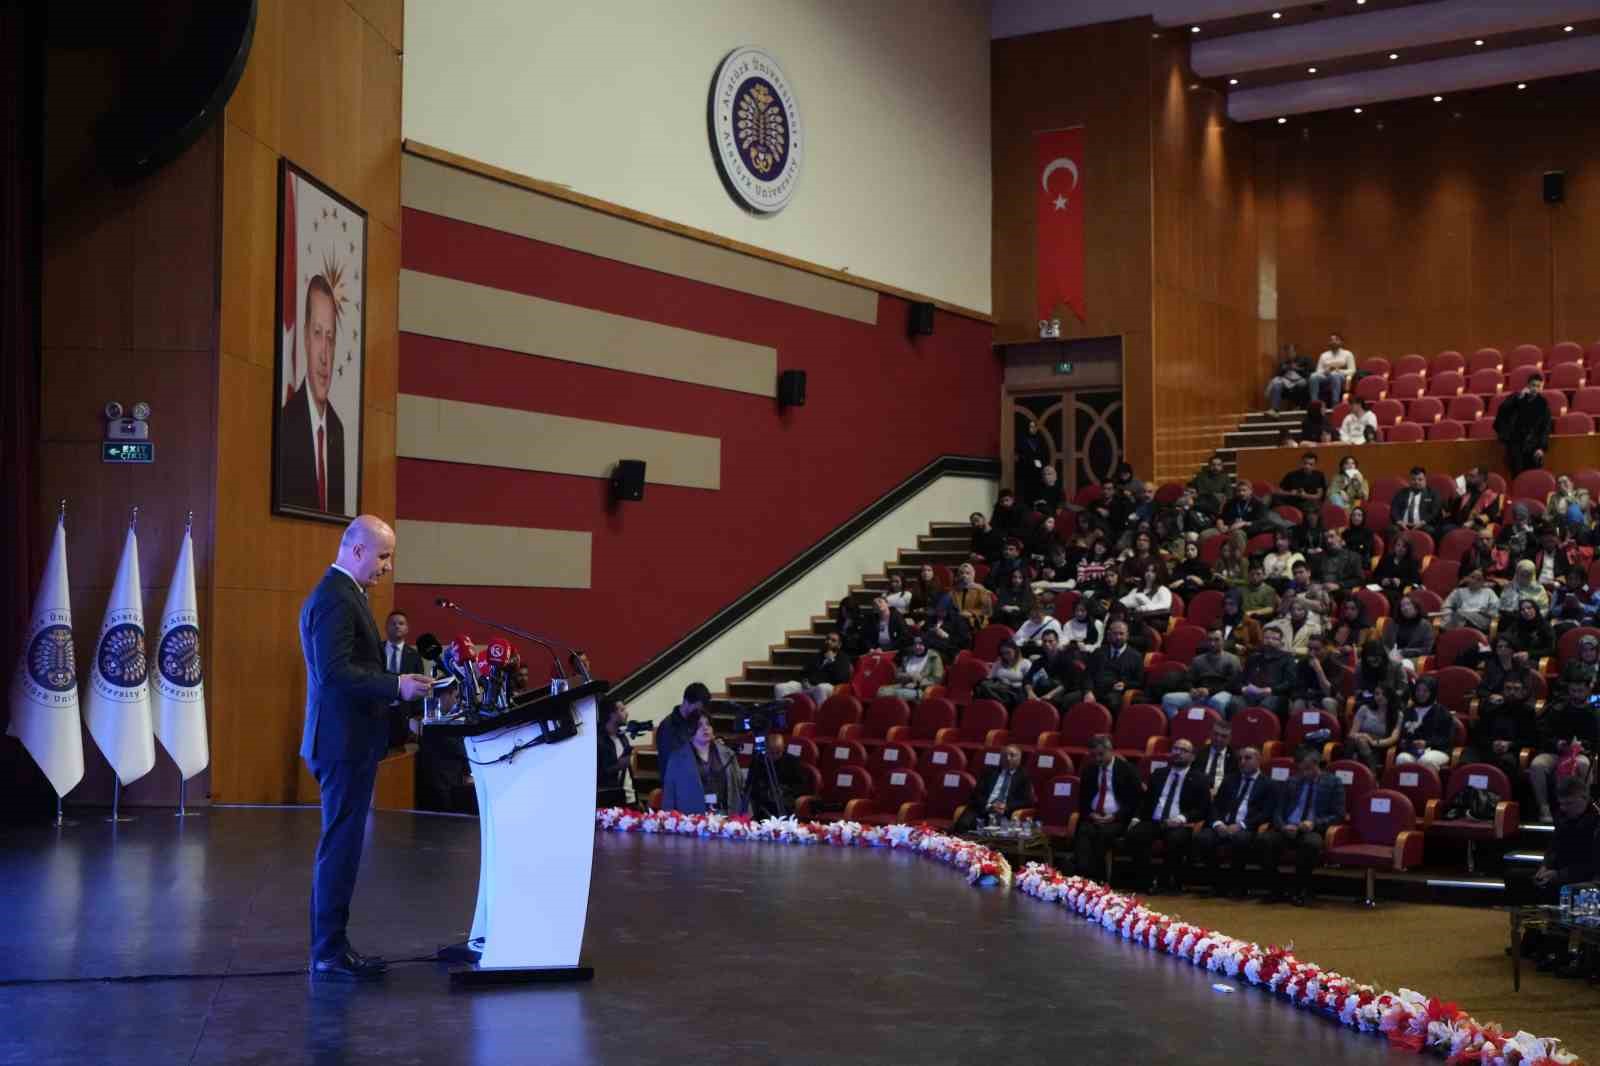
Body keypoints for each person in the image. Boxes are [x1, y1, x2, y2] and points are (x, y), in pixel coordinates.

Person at [300, 516, 435, 980]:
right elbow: (333, 674)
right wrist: (397, 685)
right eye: (382, 556)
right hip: (341, 744)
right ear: (356, 551)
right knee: (340, 846)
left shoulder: (346, 594)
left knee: (342, 844)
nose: (387, 566)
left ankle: (330, 948)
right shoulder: (336, 599)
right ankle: (328, 952)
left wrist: (397, 688)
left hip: (347, 741)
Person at [278, 275, 349, 514]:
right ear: (306, 338)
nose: (325, 356)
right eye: (318, 334)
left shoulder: (337, 431)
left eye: (330, 338)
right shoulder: (285, 424)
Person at [1260, 746, 1346, 906]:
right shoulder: (1292, 781)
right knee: (1265, 840)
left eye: (1308, 769)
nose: (1304, 773)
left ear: (1317, 764)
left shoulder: (1334, 783)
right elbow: (1278, 810)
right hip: (1289, 828)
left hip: (1311, 829)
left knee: (1311, 844)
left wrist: (1314, 824)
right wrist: (1283, 826)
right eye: (1301, 770)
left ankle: (1299, 889)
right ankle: (1276, 888)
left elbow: (1339, 815)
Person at [1125, 739, 1209, 893]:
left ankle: (1165, 881)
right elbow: (1146, 801)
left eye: (1183, 750)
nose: (1178, 753)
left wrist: (1181, 819)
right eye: (1175, 749)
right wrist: (1136, 818)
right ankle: (1146, 881)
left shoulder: (1199, 779)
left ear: (1192, 757)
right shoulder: (1159, 774)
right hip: (1155, 821)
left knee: (1175, 839)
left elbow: (1202, 809)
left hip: (1181, 824)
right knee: (1135, 834)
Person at [1194, 746, 1275, 897]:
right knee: (1203, 838)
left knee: (1240, 840)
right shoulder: (1230, 779)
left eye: (1247, 758)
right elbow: (1215, 806)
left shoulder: (1268, 784)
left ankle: (1237, 884)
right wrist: (1218, 824)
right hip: (1223, 825)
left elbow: (1266, 813)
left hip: (1247, 827)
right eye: (1240, 759)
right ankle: (1217, 883)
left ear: (1259, 760)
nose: (1242, 762)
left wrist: (1241, 826)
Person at [1529, 668, 1600, 822]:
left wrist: (1582, 746)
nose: (1576, 694)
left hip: (1582, 753)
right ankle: (1544, 809)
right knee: (1537, 765)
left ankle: (1582, 808)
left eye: (1580, 691)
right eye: (1573, 690)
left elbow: (1596, 740)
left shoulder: (1595, 711)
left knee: (1582, 764)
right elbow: (1543, 733)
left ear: (1588, 689)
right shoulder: (1557, 707)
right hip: (1556, 750)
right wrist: (1557, 743)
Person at [1074, 735, 1143, 880]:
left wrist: (1115, 816)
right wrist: (1091, 814)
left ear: (1110, 751)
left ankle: (1100, 879)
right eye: (1094, 755)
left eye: (1101, 754)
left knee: (1103, 835)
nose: (1098, 759)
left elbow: (1136, 801)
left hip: (1118, 819)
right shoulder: (1089, 770)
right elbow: (1083, 800)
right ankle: (1083, 876)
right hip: (1094, 817)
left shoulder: (1127, 769)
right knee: (1084, 831)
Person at [1463, 675, 1538, 788]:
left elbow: (1532, 739)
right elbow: (1478, 735)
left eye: (1516, 689)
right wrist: (1491, 744)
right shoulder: (1492, 709)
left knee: (1505, 762)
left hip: (1512, 751)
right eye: (1508, 688)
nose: (1512, 692)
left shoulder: (1528, 712)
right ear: (1502, 691)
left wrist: (1510, 745)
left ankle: (1497, 797)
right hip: (1489, 748)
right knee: (1467, 758)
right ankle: (1472, 795)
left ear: (1523, 692)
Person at [661, 716, 745, 814]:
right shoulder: (676, 758)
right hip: (691, 820)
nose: (705, 728)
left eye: (708, 724)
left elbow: (740, 786)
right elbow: (669, 794)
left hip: (726, 818)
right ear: (690, 730)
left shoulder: (728, 754)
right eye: (699, 725)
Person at [1161, 627, 1241, 720]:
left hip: (1221, 692)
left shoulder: (1233, 659)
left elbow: (1231, 684)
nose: (1212, 643)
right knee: (1168, 699)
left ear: (1223, 641)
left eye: (1216, 640)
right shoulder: (1198, 660)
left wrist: (1209, 691)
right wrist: (1191, 689)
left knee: (1217, 701)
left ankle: (1219, 730)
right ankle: (1180, 726)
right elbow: (1188, 679)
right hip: (1199, 695)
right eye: (1210, 640)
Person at [956, 745, 1035, 830]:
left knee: (995, 830)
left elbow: (1027, 800)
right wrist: (989, 806)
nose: (1008, 758)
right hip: (983, 808)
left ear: (1019, 758)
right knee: (962, 825)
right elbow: (976, 794)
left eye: (1012, 755)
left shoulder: (1024, 776)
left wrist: (1006, 807)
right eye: (1004, 756)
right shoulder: (989, 772)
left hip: (1005, 812)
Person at [1495, 370, 1553, 476]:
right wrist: (1517, 398)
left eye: (1538, 386)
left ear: (1542, 387)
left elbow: (1546, 428)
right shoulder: (1517, 398)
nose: (1535, 388)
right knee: (1517, 476)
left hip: (1533, 447)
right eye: (1533, 385)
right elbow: (1502, 412)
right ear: (1528, 386)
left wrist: (1541, 447)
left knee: (1533, 477)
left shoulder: (1543, 405)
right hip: (1515, 446)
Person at [380, 610, 423, 749]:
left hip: (402, 714)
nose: (397, 626)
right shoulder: (376, 650)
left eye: (401, 623)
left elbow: (419, 686)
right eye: (393, 623)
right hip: (378, 711)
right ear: (386, 627)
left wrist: (417, 717)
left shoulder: (414, 655)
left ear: (407, 628)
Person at [1394, 676, 1455, 773]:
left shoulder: (1442, 712)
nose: (1420, 694)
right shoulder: (1409, 711)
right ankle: (1407, 788)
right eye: (1418, 690)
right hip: (1413, 751)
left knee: (1426, 760)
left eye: (1425, 691)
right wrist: (1405, 742)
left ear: (1432, 692)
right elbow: (1403, 734)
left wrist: (1427, 743)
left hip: (1438, 750)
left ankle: (1428, 787)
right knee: (1402, 758)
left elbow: (1447, 738)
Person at [774, 632, 852, 704]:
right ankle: (781, 716)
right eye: (827, 639)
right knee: (780, 687)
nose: (829, 642)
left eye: (833, 640)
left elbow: (842, 677)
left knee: (821, 688)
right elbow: (804, 672)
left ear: (839, 645)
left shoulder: (843, 658)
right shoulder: (818, 656)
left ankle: (821, 716)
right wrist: (804, 680)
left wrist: (832, 661)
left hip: (828, 686)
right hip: (808, 685)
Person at [1239, 626, 1297, 717]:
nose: (1270, 641)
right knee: (1236, 703)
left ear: (1281, 643)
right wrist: (1243, 688)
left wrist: (1272, 689)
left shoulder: (1287, 658)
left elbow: (1290, 682)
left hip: (1274, 694)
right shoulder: (1254, 657)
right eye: (1266, 638)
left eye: (1274, 639)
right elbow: (1242, 678)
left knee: (1266, 705)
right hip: (1252, 693)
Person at [746, 738, 809, 819]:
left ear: (783, 748)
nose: (774, 756)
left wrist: (784, 790)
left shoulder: (792, 761)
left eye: (778, 752)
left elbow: (802, 786)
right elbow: (751, 784)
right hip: (763, 797)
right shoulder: (758, 761)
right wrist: (766, 791)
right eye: (771, 753)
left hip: (786, 797)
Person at [1344, 685, 1401, 773]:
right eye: (1377, 694)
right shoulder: (1364, 709)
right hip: (1359, 741)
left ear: (1390, 696)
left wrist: (1373, 742)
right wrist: (1364, 735)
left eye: (1384, 694)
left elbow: (1393, 738)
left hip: (1380, 746)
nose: (1380, 697)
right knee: (1358, 741)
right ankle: (1372, 771)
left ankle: (1348, 769)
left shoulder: (1397, 714)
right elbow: (1352, 733)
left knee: (1359, 743)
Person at [655, 683, 712, 770]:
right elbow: (671, 759)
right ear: (686, 702)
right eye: (697, 709)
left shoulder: (696, 720)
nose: (699, 712)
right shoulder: (667, 727)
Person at [1088, 620, 1144, 707]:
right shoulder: (1099, 652)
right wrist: (1088, 691)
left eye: (1121, 634)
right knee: (1069, 699)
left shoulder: (1136, 656)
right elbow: (1088, 675)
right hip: (1095, 689)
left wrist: (1125, 684)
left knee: (1112, 702)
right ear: (1109, 634)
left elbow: (1139, 682)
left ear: (1127, 635)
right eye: (1115, 634)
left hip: (1115, 692)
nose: (1118, 637)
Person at [1290, 632, 1343, 715]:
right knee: (1298, 704)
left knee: (1327, 702)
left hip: (1328, 698)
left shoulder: (1335, 664)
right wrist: (1309, 699)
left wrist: (1318, 670)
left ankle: (1331, 727)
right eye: (1309, 649)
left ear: (1325, 648)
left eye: (1316, 649)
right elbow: (1297, 688)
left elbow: (1330, 693)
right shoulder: (1303, 663)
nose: (1312, 653)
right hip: (1308, 697)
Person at [879, 633, 944, 700]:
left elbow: (937, 679)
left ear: (926, 645)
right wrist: (907, 676)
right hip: (904, 685)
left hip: (921, 690)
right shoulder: (908, 656)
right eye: (915, 644)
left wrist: (917, 683)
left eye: (920, 644)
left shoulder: (933, 657)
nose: (917, 647)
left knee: (897, 694)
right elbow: (898, 675)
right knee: (881, 691)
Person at [597, 697, 632, 808]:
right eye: (622, 710)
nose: (627, 713)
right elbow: (598, 774)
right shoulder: (598, 741)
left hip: (627, 797)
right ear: (611, 715)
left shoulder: (622, 737)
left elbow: (628, 773)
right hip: (608, 801)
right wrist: (618, 766)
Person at [1443, 567, 1499, 633]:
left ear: (1483, 582)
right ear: (1467, 578)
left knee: (1459, 615)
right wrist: (1448, 618)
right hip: (1459, 619)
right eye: (1472, 577)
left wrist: (1486, 613)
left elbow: (1495, 610)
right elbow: (1446, 607)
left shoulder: (1489, 592)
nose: (1474, 581)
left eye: (1479, 579)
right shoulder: (1459, 592)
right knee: (1458, 617)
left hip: (1480, 621)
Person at [976, 640, 1029, 709]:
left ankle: (1004, 704)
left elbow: (1029, 682)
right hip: (1000, 689)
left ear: (1015, 650)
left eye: (1008, 653)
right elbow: (990, 677)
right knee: (983, 685)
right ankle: (1002, 703)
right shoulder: (999, 663)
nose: (1005, 656)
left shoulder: (1025, 663)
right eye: (1003, 653)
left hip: (1016, 690)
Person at [1384, 594, 1435, 663]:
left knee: (1401, 664)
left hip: (1413, 658)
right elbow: (1385, 644)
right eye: (1402, 606)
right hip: (1392, 656)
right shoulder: (1394, 623)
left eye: (1408, 604)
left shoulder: (1425, 625)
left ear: (1416, 606)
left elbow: (1427, 649)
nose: (1405, 608)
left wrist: (1404, 652)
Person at [1193, 719, 1237, 796]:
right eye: (1215, 734)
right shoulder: (1198, 753)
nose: (1218, 739)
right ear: (1210, 734)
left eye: (1223, 736)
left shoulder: (1235, 758)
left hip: (1223, 797)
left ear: (1230, 738)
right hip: (1198, 794)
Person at [1390, 467, 1441, 533]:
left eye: (1420, 479)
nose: (1416, 482)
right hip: (1402, 525)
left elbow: (1435, 512)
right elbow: (1394, 509)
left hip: (1423, 525)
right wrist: (1399, 522)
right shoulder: (1401, 493)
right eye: (1413, 479)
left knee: (1431, 530)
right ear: (1409, 480)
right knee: (1392, 529)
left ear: (1425, 480)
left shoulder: (1433, 494)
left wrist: (1423, 522)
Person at [1310, 333, 1356, 406]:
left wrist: (1339, 370)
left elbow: (1352, 370)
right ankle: (1314, 403)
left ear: (1341, 342)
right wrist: (1325, 371)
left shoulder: (1347, 354)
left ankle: (1335, 403)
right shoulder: (1324, 355)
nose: (1333, 342)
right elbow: (1318, 371)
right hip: (1326, 376)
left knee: (1335, 375)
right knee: (1313, 376)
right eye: (1331, 340)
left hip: (1341, 377)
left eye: (1336, 340)